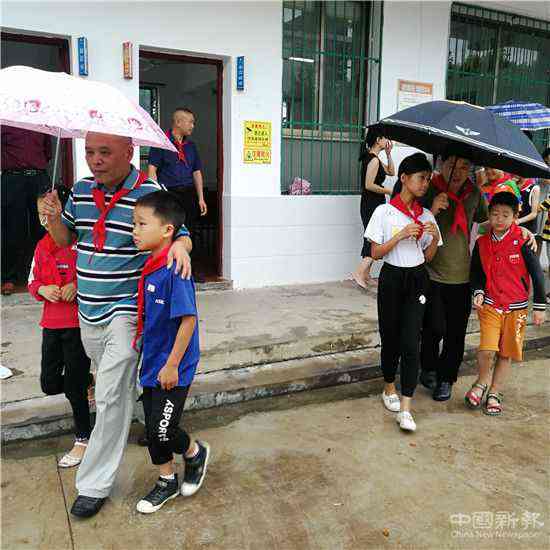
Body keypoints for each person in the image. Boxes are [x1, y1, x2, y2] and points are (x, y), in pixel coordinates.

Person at [40, 132, 192, 519]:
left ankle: (93, 485)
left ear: (129, 152)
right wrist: (54, 219)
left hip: (125, 311)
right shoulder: (80, 190)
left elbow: (178, 234)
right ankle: (174, 437)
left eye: (105, 152)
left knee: (108, 397)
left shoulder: (149, 191)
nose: (96, 160)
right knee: (120, 389)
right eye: (90, 152)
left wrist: (180, 246)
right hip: (87, 312)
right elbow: (66, 239)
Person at [132, 191, 210, 514]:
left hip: (173, 366)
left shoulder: (176, 269)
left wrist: (172, 364)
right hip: (153, 362)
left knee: (162, 430)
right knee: (153, 429)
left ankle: (192, 455)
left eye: (141, 224)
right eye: (133, 224)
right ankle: (170, 477)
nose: (134, 231)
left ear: (167, 230)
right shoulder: (151, 266)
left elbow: (188, 320)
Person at [365, 153, 442, 432]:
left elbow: (429, 256)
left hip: (418, 277)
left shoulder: (426, 215)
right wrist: (400, 235)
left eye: (428, 179)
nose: (425, 184)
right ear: (404, 178)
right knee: (391, 336)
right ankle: (389, 387)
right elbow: (375, 253)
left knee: (412, 341)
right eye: (421, 178)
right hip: (392, 278)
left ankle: (406, 408)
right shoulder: (384, 212)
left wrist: (434, 237)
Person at [28, 186, 93, 467]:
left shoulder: (79, 244)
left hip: (77, 325)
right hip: (51, 325)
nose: (45, 218)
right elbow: (32, 281)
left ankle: (83, 438)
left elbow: (94, 276)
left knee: (74, 389)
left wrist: (76, 286)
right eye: (41, 213)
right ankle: (87, 382)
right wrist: (42, 289)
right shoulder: (41, 246)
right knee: (49, 383)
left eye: (50, 211)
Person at [466, 191, 546, 415]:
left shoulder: (523, 240)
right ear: (489, 215)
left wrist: (539, 306)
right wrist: (478, 291)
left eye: (505, 215)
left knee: (505, 353)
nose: (499, 219)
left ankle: (495, 392)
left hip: (517, 309)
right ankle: (481, 382)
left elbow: (537, 274)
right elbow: (476, 272)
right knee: (487, 349)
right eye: (494, 214)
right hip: (490, 305)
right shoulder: (482, 242)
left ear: (515, 217)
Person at [1, 126, 52, 295]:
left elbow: (47, 153)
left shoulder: (40, 123)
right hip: (13, 178)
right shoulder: (5, 122)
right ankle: (9, 278)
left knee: (44, 227)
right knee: (12, 229)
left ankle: (46, 274)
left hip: (39, 178)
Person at [147, 108, 207, 241]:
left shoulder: (191, 146)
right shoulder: (161, 143)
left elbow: (196, 172)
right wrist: (156, 196)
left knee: (188, 231)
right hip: (168, 194)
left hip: (188, 194)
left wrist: (201, 198)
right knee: (169, 231)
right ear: (178, 122)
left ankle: (185, 254)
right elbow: (152, 170)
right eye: (190, 122)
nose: (192, 126)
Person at [350, 126, 395, 289]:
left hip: (374, 202)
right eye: (385, 138)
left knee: (373, 236)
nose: (387, 141)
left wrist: (389, 154)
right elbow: (369, 185)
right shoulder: (373, 160)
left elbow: (391, 172)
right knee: (374, 238)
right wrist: (389, 191)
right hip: (371, 203)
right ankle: (358, 272)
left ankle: (366, 274)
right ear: (378, 140)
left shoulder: (375, 158)